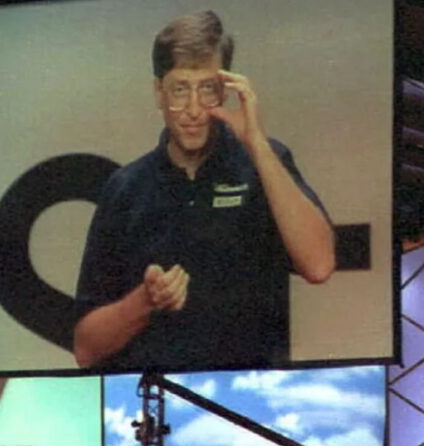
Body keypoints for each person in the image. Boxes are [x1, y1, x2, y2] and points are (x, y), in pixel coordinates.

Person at [73, 10, 334, 372]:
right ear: (159, 93)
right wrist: (143, 301)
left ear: (226, 91)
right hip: (157, 395)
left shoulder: (265, 163)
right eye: (180, 90)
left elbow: (319, 265)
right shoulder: (126, 188)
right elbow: (86, 348)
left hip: (252, 393)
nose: (194, 110)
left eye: (207, 89)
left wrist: (257, 144)